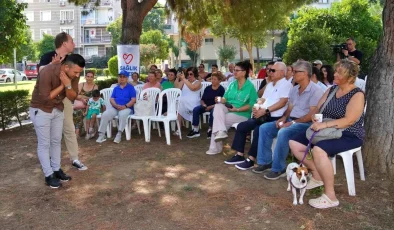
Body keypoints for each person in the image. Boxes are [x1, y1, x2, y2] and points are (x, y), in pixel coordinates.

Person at [289, 59, 365, 209]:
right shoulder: (331, 90)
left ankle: (330, 196)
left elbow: (349, 121)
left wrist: (324, 124)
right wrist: (315, 116)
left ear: (350, 77)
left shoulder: (357, 94)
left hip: (349, 133)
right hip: (326, 131)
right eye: (335, 71)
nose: (334, 74)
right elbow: (318, 108)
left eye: (339, 73)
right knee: (295, 143)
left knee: (319, 149)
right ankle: (317, 175)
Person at [253, 61, 324, 179]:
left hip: (306, 124)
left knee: (284, 132)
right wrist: (284, 118)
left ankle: (278, 168)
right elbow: (289, 108)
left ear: (305, 73)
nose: (292, 74)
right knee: (264, 128)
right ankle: (265, 162)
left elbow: (312, 114)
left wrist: (292, 122)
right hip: (292, 120)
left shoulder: (315, 90)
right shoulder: (295, 89)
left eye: (296, 72)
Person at [30, 54, 85, 188]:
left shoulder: (72, 75)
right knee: (44, 144)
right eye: (76, 72)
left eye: (79, 73)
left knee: (56, 141)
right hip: (41, 109)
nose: (77, 75)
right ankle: (49, 175)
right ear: (66, 67)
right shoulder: (47, 72)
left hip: (57, 109)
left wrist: (68, 86)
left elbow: (71, 96)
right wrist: (63, 85)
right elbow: (45, 98)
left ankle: (56, 169)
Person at [224, 62, 292, 170]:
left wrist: (266, 110)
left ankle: (251, 159)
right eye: (269, 70)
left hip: (273, 117)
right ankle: (239, 155)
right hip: (262, 114)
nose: (270, 72)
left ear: (282, 72)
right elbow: (262, 98)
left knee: (258, 129)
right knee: (242, 126)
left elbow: (283, 102)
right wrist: (258, 105)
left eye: (273, 70)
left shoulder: (286, 85)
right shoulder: (270, 85)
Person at [37, 32, 87, 171]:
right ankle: (49, 164)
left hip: (64, 99)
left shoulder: (73, 61)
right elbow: (40, 74)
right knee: (50, 136)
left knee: (69, 129)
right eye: (72, 41)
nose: (74, 44)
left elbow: (73, 87)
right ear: (64, 43)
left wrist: (76, 96)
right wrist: (52, 66)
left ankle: (75, 158)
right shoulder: (47, 57)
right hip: (48, 100)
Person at [206, 61, 258, 155]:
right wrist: (220, 99)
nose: (234, 72)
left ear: (244, 72)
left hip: (241, 113)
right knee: (218, 106)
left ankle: (215, 148)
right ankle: (221, 132)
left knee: (218, 120)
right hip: (228, 108)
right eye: (234, 70)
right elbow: (225, 98)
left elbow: (251, 105)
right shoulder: (232, 84)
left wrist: (237, 109)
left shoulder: (250, 87)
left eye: (237, 70)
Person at [96, 70, 137, 144]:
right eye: (120, 77)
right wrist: (115, 105)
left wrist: (125, 106)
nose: (121, 78)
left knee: (122, 114)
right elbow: (111, 99)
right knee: (105, 114)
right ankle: (102, 134)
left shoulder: (131, 88)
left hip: (127, 108)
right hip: (116, 107)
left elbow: (133, 100)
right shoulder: (116, 88)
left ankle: (119, 134)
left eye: (123, 77)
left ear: (127, 78)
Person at [186, 72, 225, 139]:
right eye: (212, 79)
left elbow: (219, 102)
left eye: (215, 79)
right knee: (196, 109)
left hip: (215, 106)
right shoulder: (207, 88)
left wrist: (211, 106)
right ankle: (195, 130)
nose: (212, 80)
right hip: (205, 105)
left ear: (219, 81)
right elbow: (202, 99)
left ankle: (210, 129)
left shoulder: (221, 89)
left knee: (214, 111)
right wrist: (203, 104)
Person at [175, 67, 201, 135]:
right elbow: (177, 88)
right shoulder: (184, 81)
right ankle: (178, 128)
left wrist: (184, 79)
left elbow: (193, 88)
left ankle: (194, 128)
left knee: (180, 103)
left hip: (194, 102)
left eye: (191, 74)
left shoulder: (198, 82)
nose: (189, 76)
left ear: (195, 74)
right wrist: (177, 78)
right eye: (188, 74)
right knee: (179, 105)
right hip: (183, 102)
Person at [73, 71, 98, 137]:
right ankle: (77, 131)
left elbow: (95, 98)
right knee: (78, 112)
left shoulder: (95, 87)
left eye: (91, 77)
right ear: (85, 77)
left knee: (85, 112)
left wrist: (82, 96)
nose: (89, 78)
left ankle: (83, 131)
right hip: (80, 105)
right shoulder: (81, 84)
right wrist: (82, 99)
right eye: (88, 76)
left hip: (90, 106)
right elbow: (75, 95)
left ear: (93, 78)